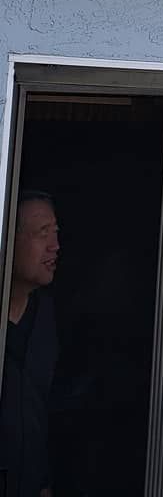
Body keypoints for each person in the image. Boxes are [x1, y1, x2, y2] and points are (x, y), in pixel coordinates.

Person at [0, 192, 59, 497]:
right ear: (8, 237)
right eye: (42, 233)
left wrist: (43, 485)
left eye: (56, 233)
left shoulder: (48, 316)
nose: (55, 246)